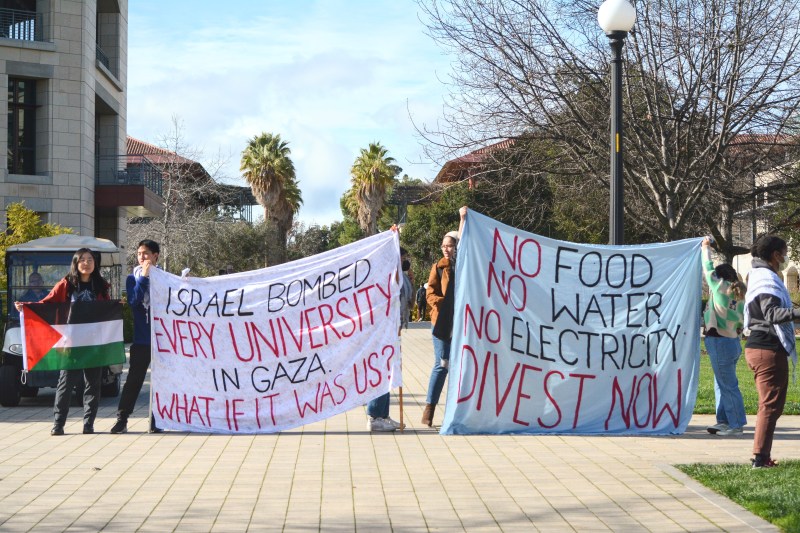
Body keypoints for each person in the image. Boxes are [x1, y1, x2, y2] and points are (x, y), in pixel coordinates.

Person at [16, 248, 110, 436]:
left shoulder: (101, 285)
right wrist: (27, 308)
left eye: (90, 259)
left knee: (93, 385)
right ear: (75, 263)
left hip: (93, 344)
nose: (86, 263)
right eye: (82, 259)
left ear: (95, 263)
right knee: (65, 384)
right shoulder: (66, 284)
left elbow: (107, 311)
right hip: (70, 344)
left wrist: (117, 307)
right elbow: (47, 303)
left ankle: (88, 424)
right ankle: (58, 424)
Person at [743, 234, 798, 468]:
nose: (786, 257)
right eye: (784, 253)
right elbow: (772, 314)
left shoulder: (759, 274)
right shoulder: (766, 278)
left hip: (762, 347)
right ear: (775, 255)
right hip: (767, 348)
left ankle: (761, 455)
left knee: (771, 404)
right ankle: (760, 458)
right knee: (770, 405)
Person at [421, 207, 467, 427]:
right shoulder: (438, 267)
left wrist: (463, 219)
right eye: (444, 245)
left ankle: (456, 411)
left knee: (461, 366)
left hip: (461, 324)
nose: (446, 249)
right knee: (442, 363)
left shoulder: (464, 266)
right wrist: (444, 304)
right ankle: (429, 410)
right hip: (441, 323)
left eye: (450, 245)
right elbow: (430, 293)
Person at [111, 239, 161, 434]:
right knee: (134, 379)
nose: (142, 257)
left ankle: (157, 419)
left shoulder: (165, 278)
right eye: (140, 253)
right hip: (142, 339)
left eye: (146, 253)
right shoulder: (133, 278)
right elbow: (134, 301)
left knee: (162, 381)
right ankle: (122, 418)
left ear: (156, 256)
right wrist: (145, 277)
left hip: (162, 340)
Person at [701, 237, 747, 436]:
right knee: (722, 382)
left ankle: (736, 425)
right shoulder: (740, 294)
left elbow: (707, 268)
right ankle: (723, 421)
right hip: (732, 342)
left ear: (720, 278)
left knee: (727, 385)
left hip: (719, 341)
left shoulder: (720, 288)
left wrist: (705, 248)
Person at [366, 245, 414, 431]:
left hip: (395, 330)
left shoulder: (403, 277)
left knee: (389, 372)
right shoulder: (386, 276)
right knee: (381, 371)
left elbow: (410, 303)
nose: (404, 262)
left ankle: (383, 415)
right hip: (383, 331)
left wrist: (411, 279)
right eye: (401, 258)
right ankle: (374, 415)